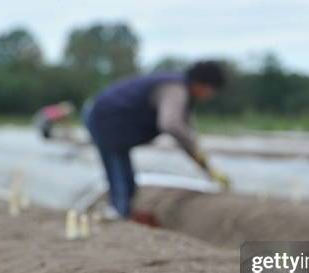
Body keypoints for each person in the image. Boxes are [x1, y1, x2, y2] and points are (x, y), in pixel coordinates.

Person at [83, 60, 230, 220]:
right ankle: (118, 213)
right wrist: (203, 161)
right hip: (104, 119)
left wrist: (206, 167)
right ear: (202, 85)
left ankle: (121, 212)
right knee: (120, 178)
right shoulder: (176, 90)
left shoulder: (182, 93)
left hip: (112, 124)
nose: (210, 96)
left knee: (126, 179)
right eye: (211, 90)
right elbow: (171, 124)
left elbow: (187, 133)